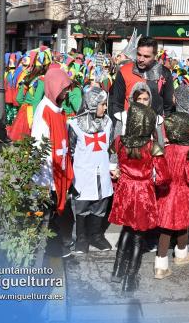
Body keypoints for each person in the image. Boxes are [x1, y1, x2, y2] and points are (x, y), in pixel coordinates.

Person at [109, 103, 170, 291]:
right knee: (138, 236)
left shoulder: (119, 141)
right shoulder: (153, 147)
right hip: (143, 192)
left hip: (125, 190)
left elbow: (112, 158)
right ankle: (130, 279)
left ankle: (117, 272)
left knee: (127, 229)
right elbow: (163, 176)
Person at [154, 112, 189, 279]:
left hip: (166, 194)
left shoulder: (165, 150)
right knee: (183, 226)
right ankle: (181, 255)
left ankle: (160, 265)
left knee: (166, 230)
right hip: (183, 195)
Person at [30, 67, 74, 257]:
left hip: (59, 168)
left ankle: (59, 243)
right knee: (48, 213)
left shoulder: (57, 109)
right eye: (64, 88)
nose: (66, 92)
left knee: (58, 211)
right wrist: (44, 180)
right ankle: (52, 248)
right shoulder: (44, 111)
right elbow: (40, 147)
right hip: (49, 174)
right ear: (55, 87)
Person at [68, 87, 113, 254]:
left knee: (101, 205)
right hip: (83, 174)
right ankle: (81, 238)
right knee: (82, 206)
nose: (105, 108)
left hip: (102, 172)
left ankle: (96, 236)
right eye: (102, 104)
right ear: (92, 104)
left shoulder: (108, 123)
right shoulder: (74, 124)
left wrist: (113, 167)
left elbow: (111, 147)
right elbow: (71, 150)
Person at [110, 36, 174, 120]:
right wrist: (119, 126)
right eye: (139, 54)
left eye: (146, 56)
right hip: (128, 126)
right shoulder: (124, 71)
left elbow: (168, 106)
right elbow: (116, 103)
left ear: (155, 55)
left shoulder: (164, 73)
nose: (141, 59)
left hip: (153, 127)